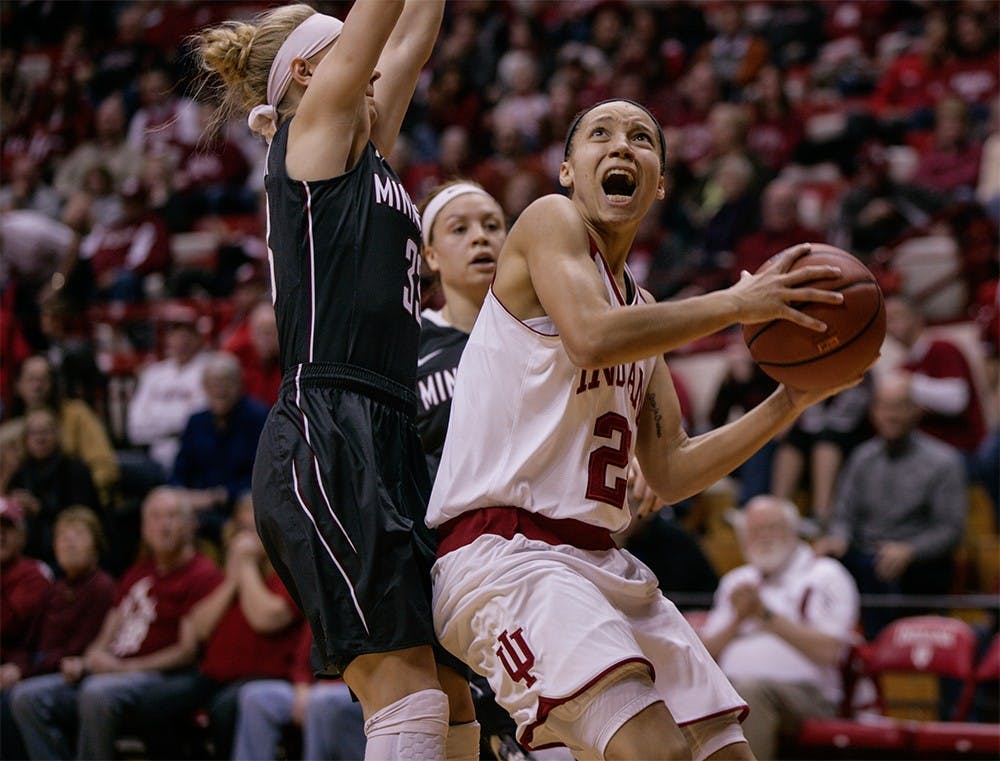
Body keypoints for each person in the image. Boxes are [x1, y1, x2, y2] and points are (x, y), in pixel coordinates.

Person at [426, 97, 858, 761]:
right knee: (657, 750)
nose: (622, 145)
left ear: (659, 183)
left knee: (726, 754)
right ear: (569, 170)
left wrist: (789, 401)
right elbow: (594, 338)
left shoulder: (644, 312)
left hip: (599, 558)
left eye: (641, 138)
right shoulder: (548, 221)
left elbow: (672, 468)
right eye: (600, 134)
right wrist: (738, 303)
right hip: (506, 556)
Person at [194, 3, 477, 760]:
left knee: (452, 697)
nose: (379, 66)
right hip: (329, 429)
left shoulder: (365, 150)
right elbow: (385, 16)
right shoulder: (311, 132)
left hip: (391, 431)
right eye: (359, 55)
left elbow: (415, 30)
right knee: (409, 695)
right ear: (317, 72)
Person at [9, 487, 221, 760]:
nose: (164, 525)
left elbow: (187, 651)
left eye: (172, 517)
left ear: (190, 525)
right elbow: (108, 631)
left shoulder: (202, 574)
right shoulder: (137, 572)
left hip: (155, 675)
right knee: (26, 698)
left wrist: (124, 667)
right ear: (144, 528)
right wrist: (90, 658)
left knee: (97, 694)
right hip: (113, 672)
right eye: (156, 517)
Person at [133, 493, 303, 759]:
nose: (245, 541)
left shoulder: (288, 573)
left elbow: (267, 618)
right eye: (241, 530)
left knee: (223, 708)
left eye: (253, 530)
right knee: (155, 704)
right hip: (215, 675)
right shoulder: (229, 575)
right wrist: (233, 580)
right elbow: (198, 628)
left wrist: (245, 567)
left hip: (265, 674)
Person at [699, 496, 860, 760]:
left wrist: (765, 615)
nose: (762, 537)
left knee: (748, 693)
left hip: (809, 695)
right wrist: (738, 619)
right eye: (753, 531)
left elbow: (830, 651)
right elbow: (704, 654)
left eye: (771, 528)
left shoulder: (825, 575)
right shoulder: (736, 581)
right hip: (735, 687)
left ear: (794, 530)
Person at [815, 372, 968, 638]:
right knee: (822, 562)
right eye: (884, 407)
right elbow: (843, 514)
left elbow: (950, 529)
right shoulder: (862, 458)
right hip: (866, 556)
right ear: (873, 411)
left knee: (886, 572)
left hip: (917, 565)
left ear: (916, 411)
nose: (890, 415)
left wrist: (910, 550)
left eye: (899, 407)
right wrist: (838, 537)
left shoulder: (945, 462)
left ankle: (881, 648)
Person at [0, 507, 115, 761]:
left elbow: (79, 649)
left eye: (78, 534)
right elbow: (30, 643)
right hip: (45, 672)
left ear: (96, 544)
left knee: (18, 699)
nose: (69, 541)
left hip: (77, 677)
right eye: (62, 536)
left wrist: (24, 671)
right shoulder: (54, 590)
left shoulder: (102, 587)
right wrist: (14, 666)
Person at [169, 352, 268, 543]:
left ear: (239, 385)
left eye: (226, 382)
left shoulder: (258, 417)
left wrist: (221, 495)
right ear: (204, 388)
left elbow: (262, 475)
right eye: (213, 384)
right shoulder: (196, 421)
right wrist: (182, 493)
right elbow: (179, 472)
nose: (219, 390)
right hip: (199, 503)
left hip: (240, 501)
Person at [232, 628, 367, 761]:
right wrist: (301, 688)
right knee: (256, 697)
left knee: (320, 701)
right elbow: (302, 661)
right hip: (315, 687)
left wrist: (321, 688)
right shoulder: (326, 608)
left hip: (355, 690)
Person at [7, 407, 102, 564]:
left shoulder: (75, 469)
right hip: (29, 553)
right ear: (25, 439)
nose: (40, 438)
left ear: (58, 435)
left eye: (46, 432)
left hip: (69, 553)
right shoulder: (19, 474)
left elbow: (84, 517)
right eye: (34, 432)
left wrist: (39, 508)